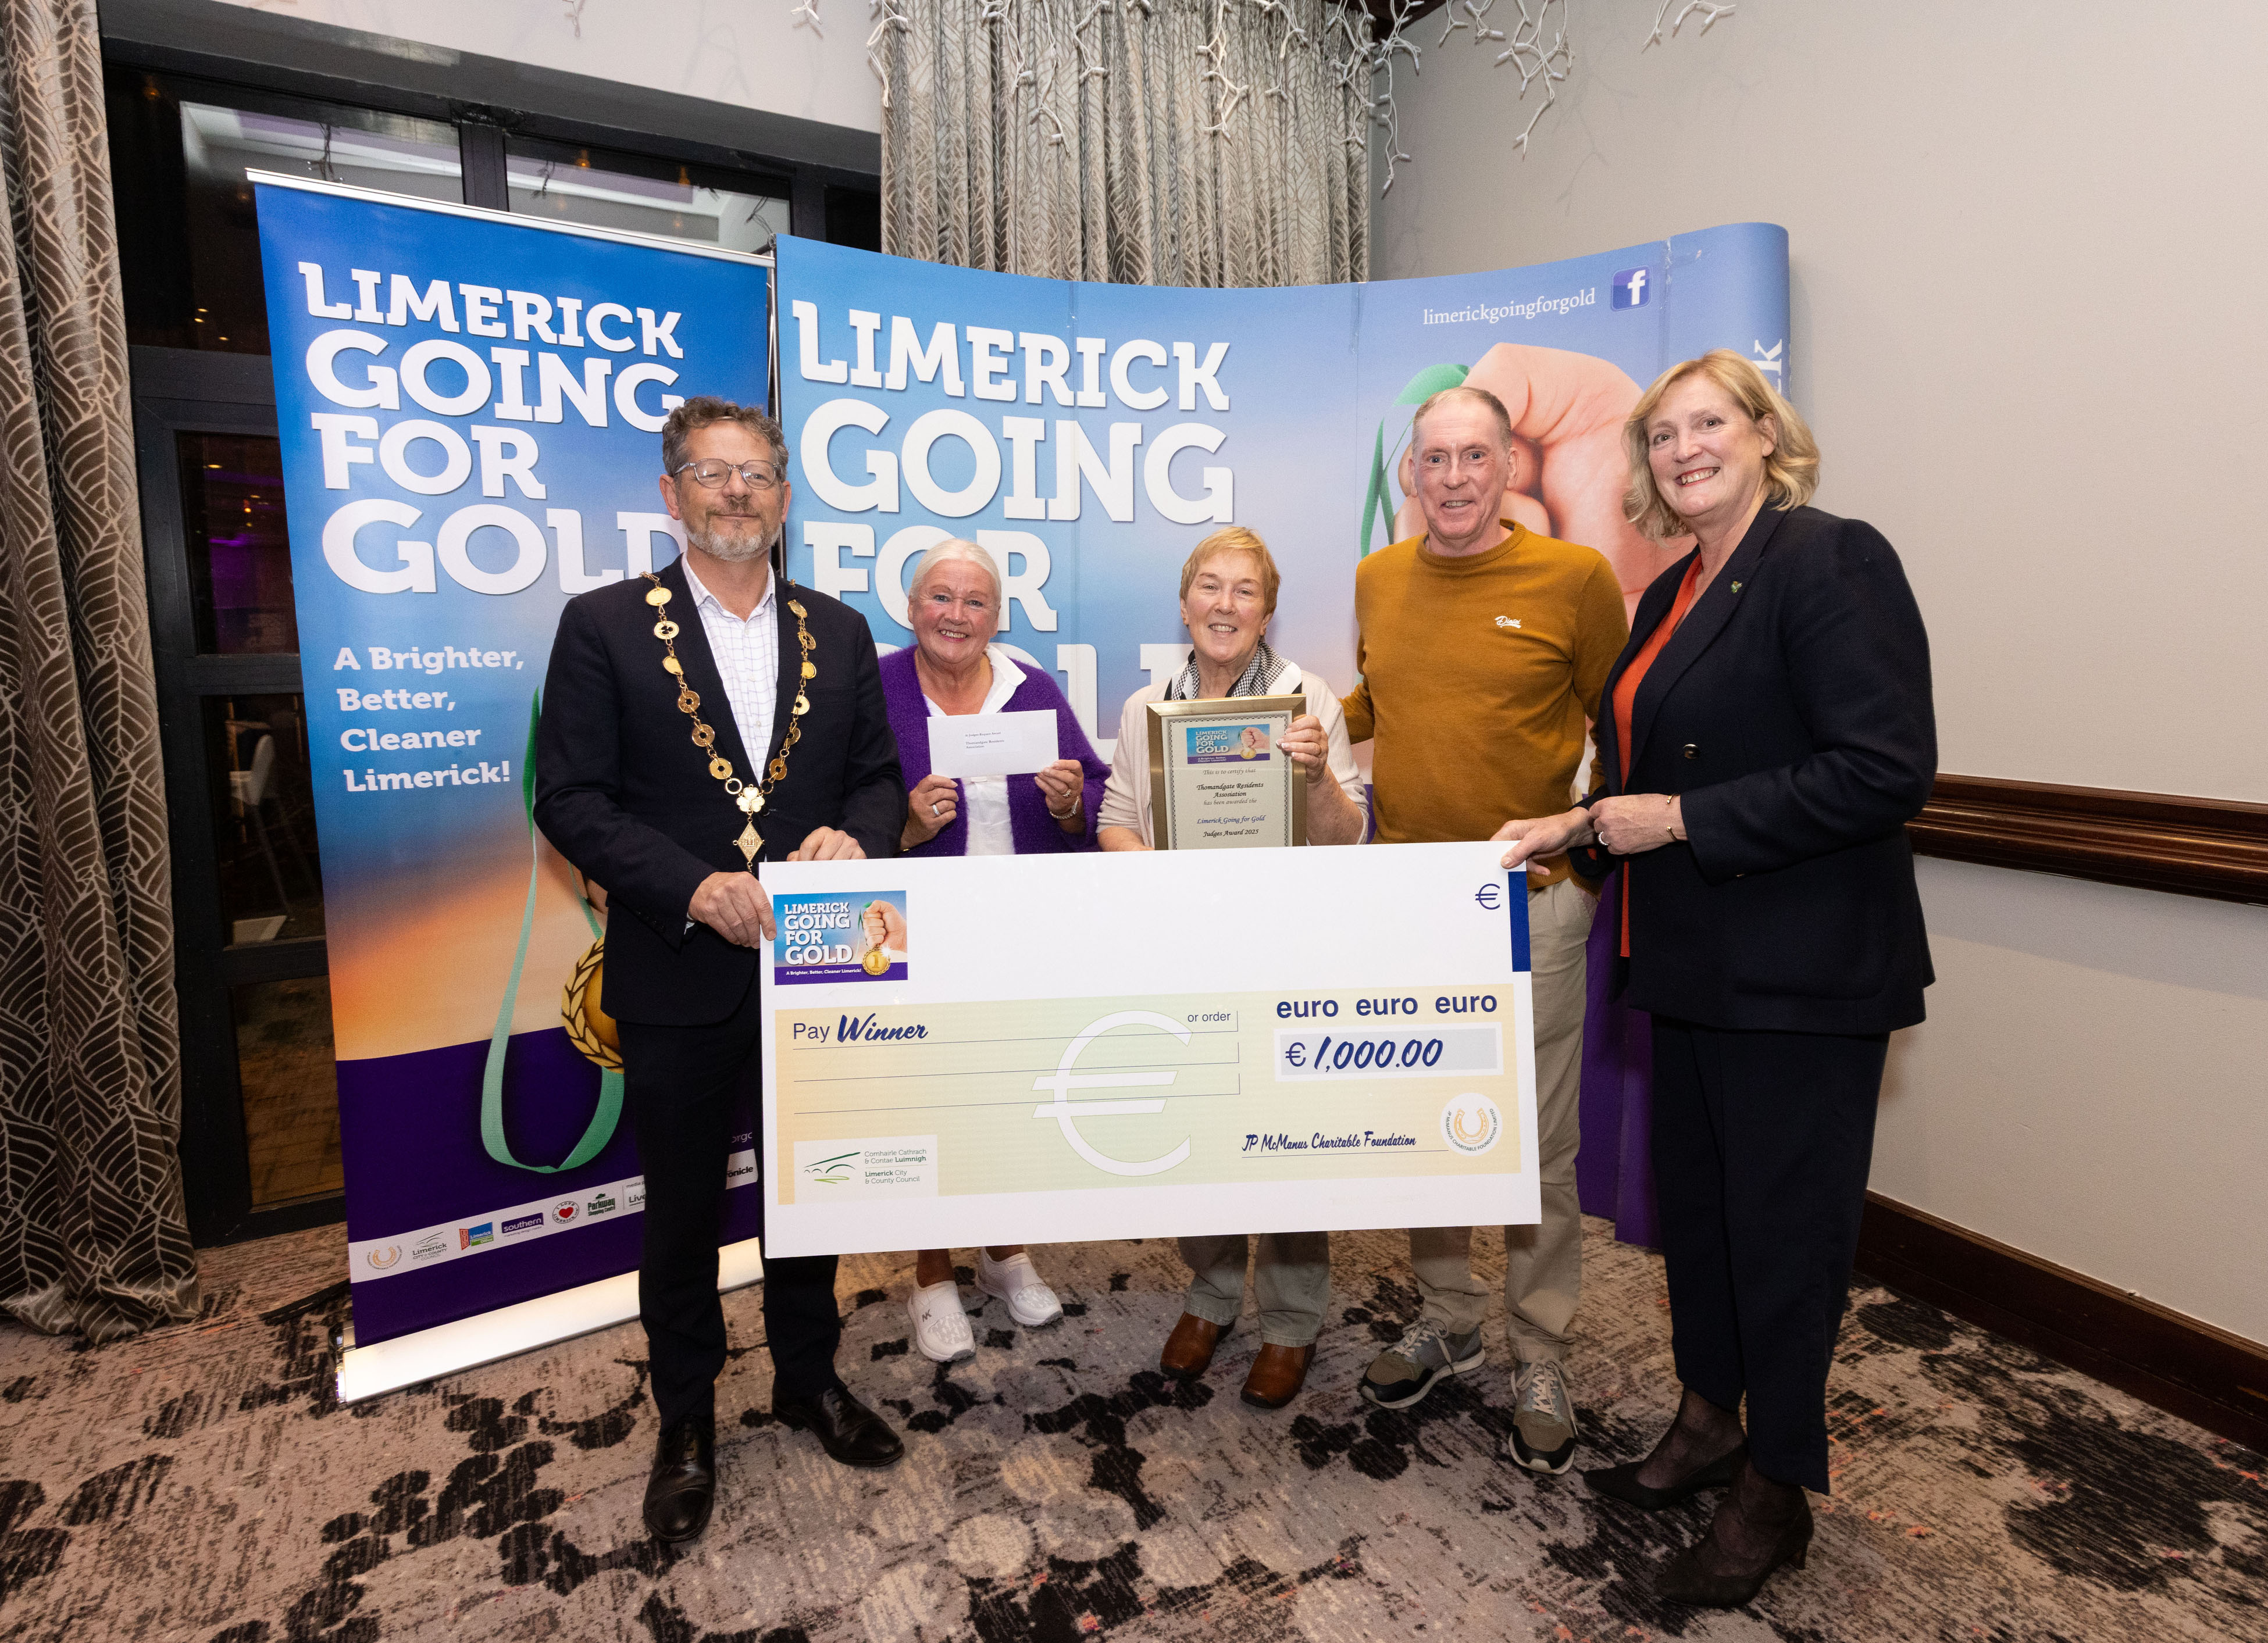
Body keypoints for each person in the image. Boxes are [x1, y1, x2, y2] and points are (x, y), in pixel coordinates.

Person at [1495, 350, 1934, 1606]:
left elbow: (1885, 769)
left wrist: (1683, 821)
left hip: (1799, 977)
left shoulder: (1831, 560)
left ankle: (1776, 1490)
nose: (1684, 448)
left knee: (1784, 1239)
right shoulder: (1671, 593)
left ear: (1763, 436)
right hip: (1690, 965)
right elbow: (1639, 781)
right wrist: (1573, 826)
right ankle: (1706, 1420)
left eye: (1709, 423)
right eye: (1663, 432)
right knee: (1702, 1217)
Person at [533, 396, 910, 1546]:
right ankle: (687, 1417)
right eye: (712, 472)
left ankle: (808, 1378)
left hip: (822, 965)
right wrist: (691, 887)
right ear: (671, 493)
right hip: (675, 962)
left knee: (811, 1186)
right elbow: (571, 800)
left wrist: (859, 837)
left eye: (756, 475)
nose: (737, 491)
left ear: (784, 497)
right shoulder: (601, 625)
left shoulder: (839, 628)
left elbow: (879, 780)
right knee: (684, 1207)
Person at [1342, 383, 1629, 1478]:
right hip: (1412, 905)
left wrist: (1586, 848)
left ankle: (1540, 1349)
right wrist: (1272, 729)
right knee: (1433, 1127)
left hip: (1533, 900)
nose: (1454, 478)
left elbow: (1627, 726)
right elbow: (1375, 705)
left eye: (1474, 456)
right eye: (1435, 459)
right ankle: (1447, 1317)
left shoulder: (1577, 579)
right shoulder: (1377, 578)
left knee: (1536, 1144)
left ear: (1509, 466)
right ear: (1409, 474)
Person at [1096, 526, 1367, 1409]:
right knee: (1199, 1127)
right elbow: (1116, 817)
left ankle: (1291, 1318)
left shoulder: (1307, 699)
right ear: (1185, 604)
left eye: (1245, 590)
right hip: (1182, 950)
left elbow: (1348, 837)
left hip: (1283, 952)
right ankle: (1211, 1294)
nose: (1225, 604)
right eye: (1209, 586)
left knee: (1285, 1133)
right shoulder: (1146, 708)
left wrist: (1317, 778)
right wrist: (1164, 879)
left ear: (1267, 610)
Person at [879, 537, 1111, 1363]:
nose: (957, 615)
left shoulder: (1030, 686)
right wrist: (908, 826)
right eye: (940, 598)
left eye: (975, 601)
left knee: (1014, 1095)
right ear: (912, 609)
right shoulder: (876, 687)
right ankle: (931, 1273)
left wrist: (1072, 803)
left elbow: (1095, 788)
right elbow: (842, 808)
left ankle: (1005, 1251)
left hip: (1021, 932)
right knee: (931, 1103)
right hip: (920, 935)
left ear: (997, 616)